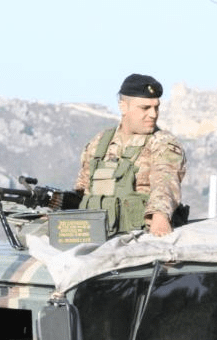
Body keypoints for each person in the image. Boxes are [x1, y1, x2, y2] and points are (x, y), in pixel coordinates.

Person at [74, 73, 186, 236]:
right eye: (145, 108)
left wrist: (160, 217)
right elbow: (82, 189)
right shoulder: (99, 143)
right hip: (94, 234)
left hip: (139, 235)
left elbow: (166, 183)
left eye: (156, 107)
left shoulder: (162, 143)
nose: (153, 114)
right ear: (123, 107)